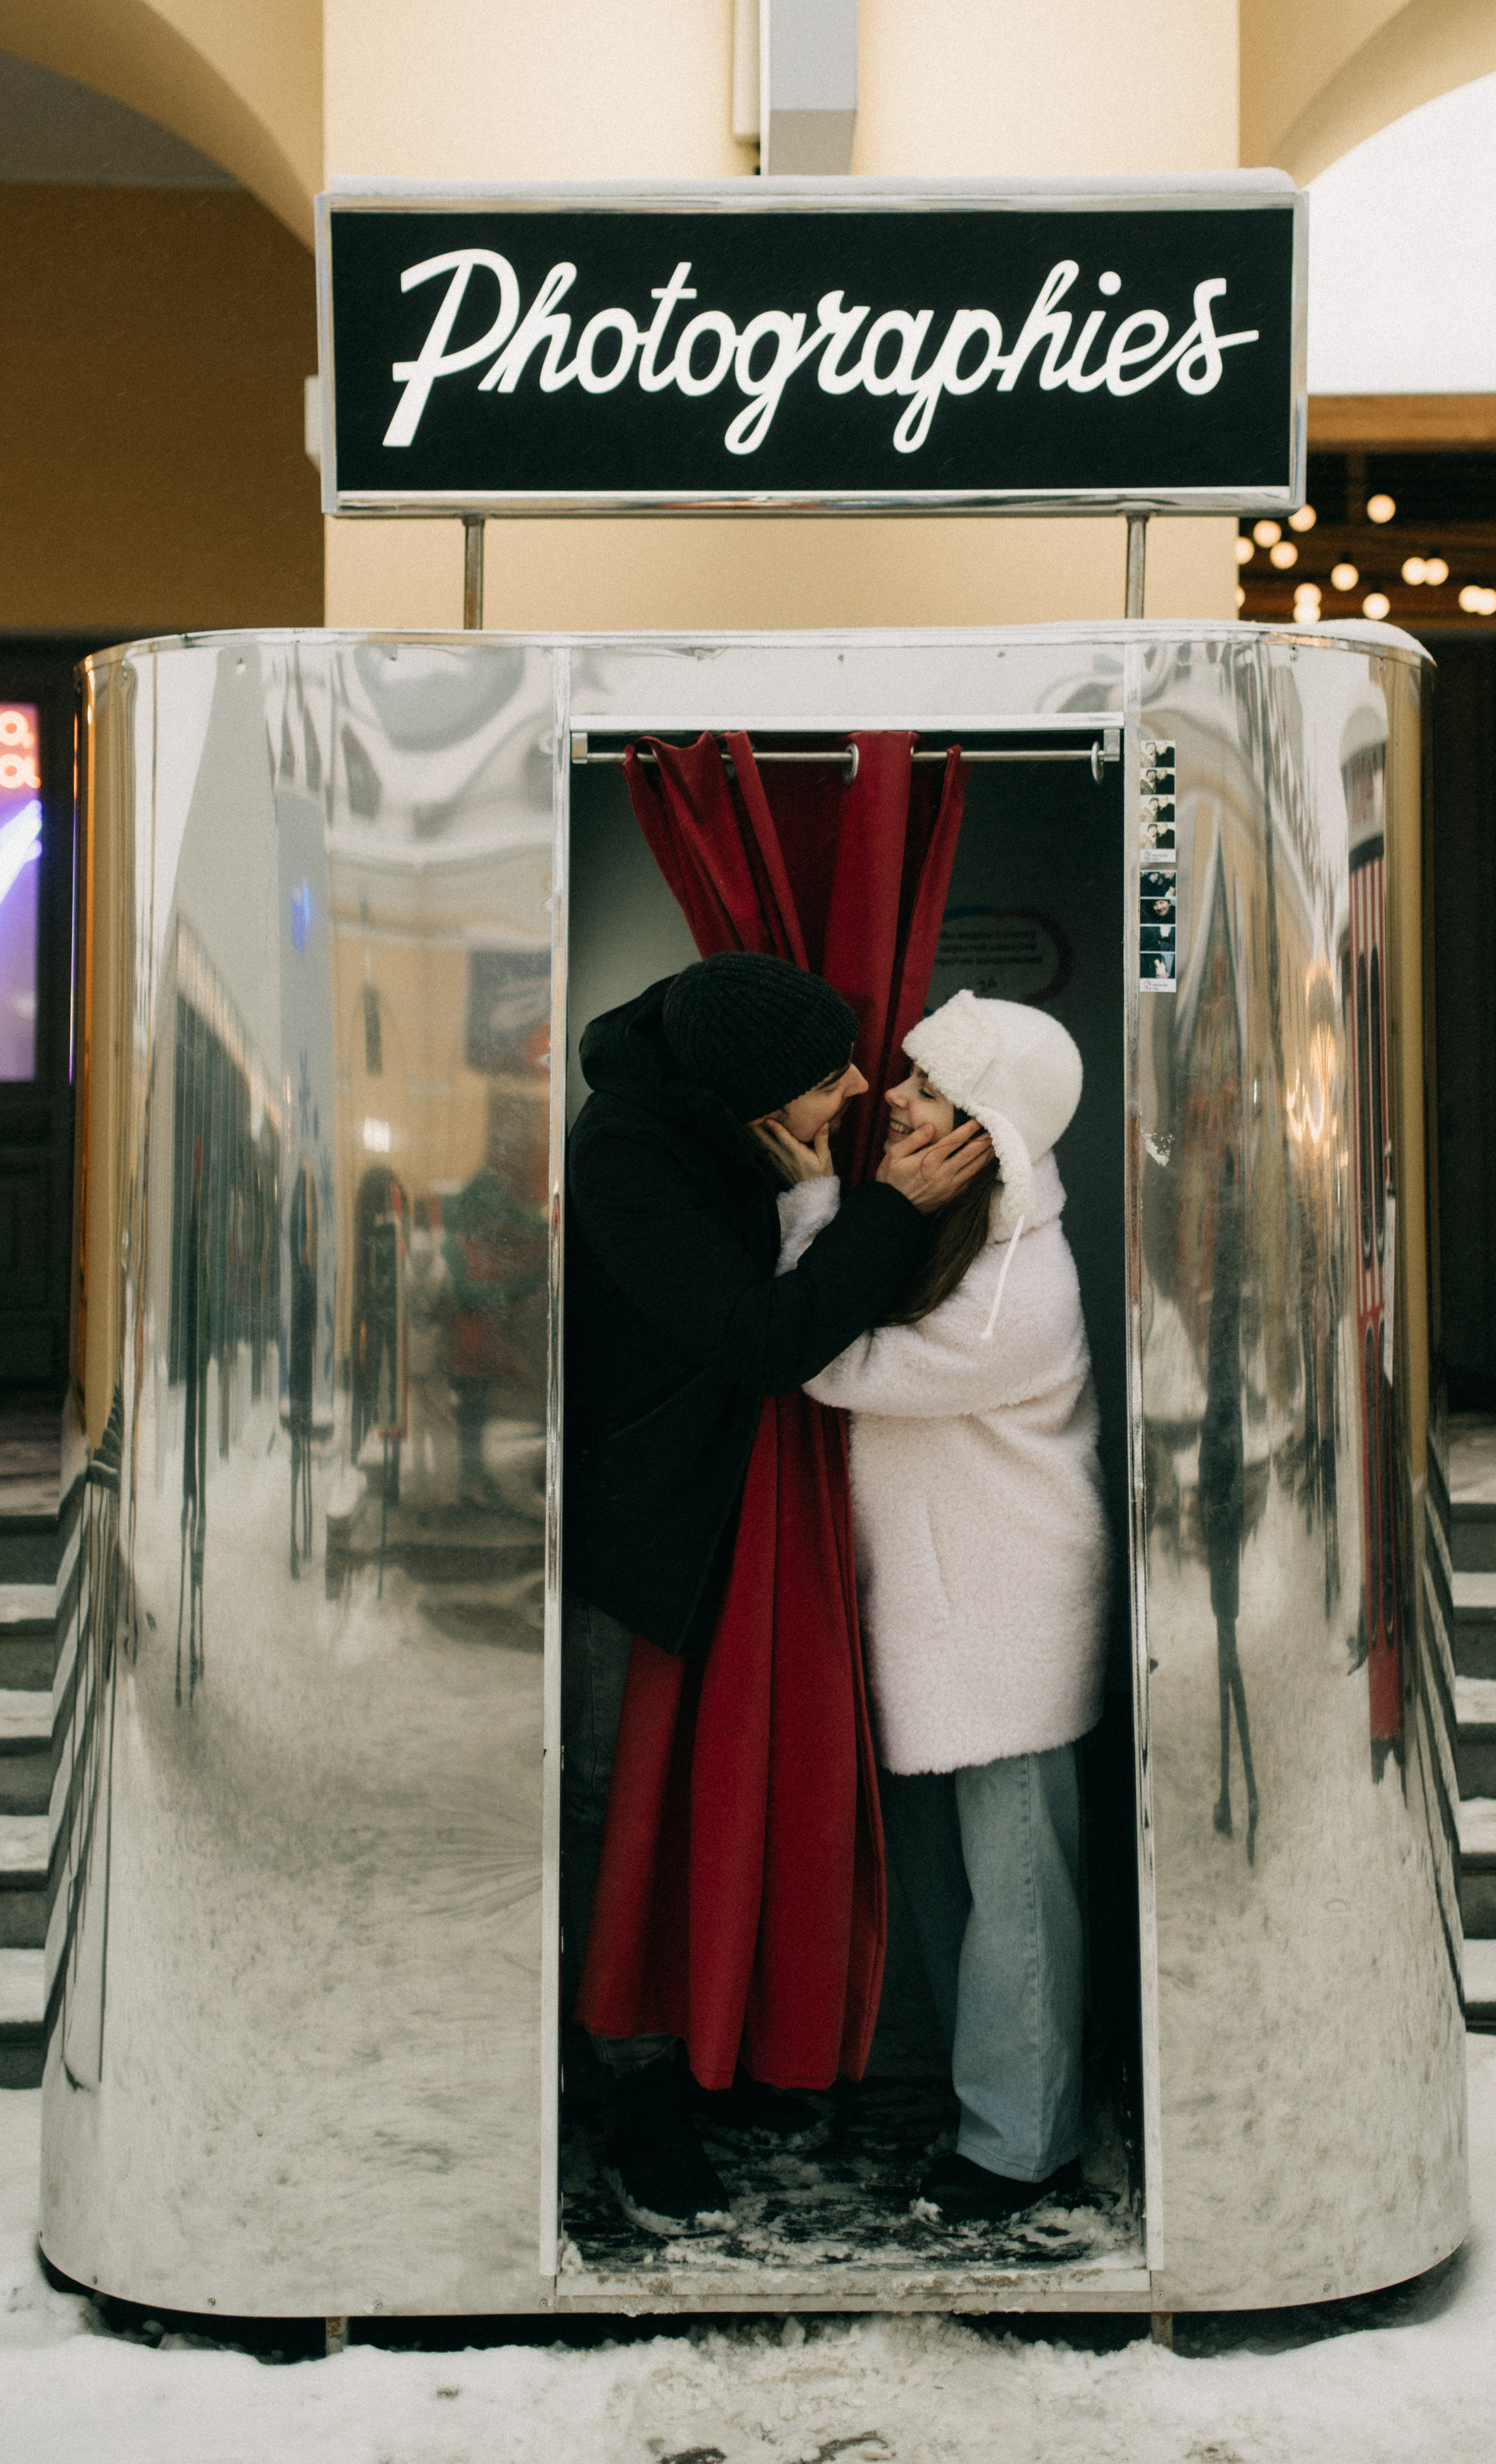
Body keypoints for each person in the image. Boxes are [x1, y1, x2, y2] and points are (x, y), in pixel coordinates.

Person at [564, 949, 995, 2234]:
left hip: (727, 1514)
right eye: (828, 1078)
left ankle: (707, 2054)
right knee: (616, 1799)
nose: (865, 1089)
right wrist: (890, 1212)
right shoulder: (629, 1156)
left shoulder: (718, 1109)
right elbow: (760, 1340)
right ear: (753, 1097)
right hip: (644, 1524)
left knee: (708, 1789)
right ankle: (633, 2088)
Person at [782, 989, 1111, 2226]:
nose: (895, 1101)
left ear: (987, 1134)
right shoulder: (963, 1243)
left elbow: (825, 1359)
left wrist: (819, 1201)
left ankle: (1022, 2146)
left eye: (927, 1090)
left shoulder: (1022, 1288)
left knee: (1016, 1897)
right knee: (956, 1886)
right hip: (948, 1619)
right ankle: (991, 2113)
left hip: (1002, 1627)